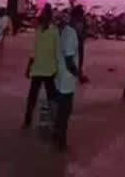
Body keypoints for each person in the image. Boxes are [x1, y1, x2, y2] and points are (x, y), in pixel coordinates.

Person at [23, 5, 59, 129]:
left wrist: (29, 67)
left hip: (40, 69)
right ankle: (55, 121)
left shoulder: (42, 31)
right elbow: (56, 52)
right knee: (51, 97)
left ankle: (27, 120)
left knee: (33, 96)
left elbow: (34, 51)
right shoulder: (54, 31)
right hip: (48, 69)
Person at [53, 9, 80, 150]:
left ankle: (56, 134)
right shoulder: (71, 34)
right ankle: (61, 141)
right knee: (65, 111)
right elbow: (69, 59)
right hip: (67, 79)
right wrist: (78, 74)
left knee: (60, 110)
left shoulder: (61, 32)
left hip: (59, 76)